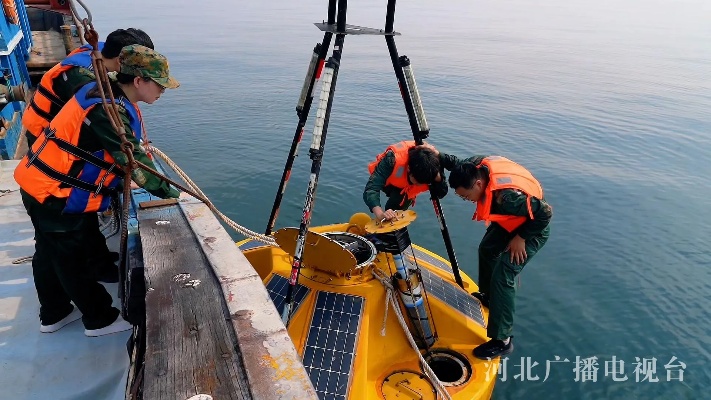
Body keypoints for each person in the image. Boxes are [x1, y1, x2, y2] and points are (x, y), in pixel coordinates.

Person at [14, 45, 180, 337]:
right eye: (160, 85)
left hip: (41, 184)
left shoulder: (104, 95)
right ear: (139, 81)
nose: (163, 92)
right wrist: (174, 194)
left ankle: (54, 312)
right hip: (53, 193)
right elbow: (135, 165)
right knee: (70, 259)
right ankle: (99, 318)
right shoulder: (107, 110)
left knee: (50, 253)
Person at [22, 28, 155, 283]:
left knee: (82, 219)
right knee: (55, 244)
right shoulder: (83, 82)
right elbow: (109, 132)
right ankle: (63, 309)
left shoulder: (95, 59)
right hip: (48, 154)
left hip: (58, 148)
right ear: (122, 59)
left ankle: (99, 263)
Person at [433, 147, 552, 359]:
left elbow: (545, 212)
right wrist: (437, 156)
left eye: (466, 196)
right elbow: (457, 162)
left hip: (533, 229)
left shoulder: (507, 198)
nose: (467, 200)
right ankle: (489, 297)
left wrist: (521, 238)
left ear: (478, 184)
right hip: (510, 221)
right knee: (487, 250)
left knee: (504, 273)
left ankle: (502, 340)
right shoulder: (476, 166)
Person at [363, 140, 447, 221]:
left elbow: (441, 192)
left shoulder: (433, 167)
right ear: (408, 168)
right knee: (389, 208)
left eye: (422, 183)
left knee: (396, 207)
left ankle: (394, 225)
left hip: (407, 191)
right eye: (417, 181)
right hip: (390, 179)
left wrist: (439, 179)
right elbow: (371, 189)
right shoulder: (392, 159)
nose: (418, 185)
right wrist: (380, 214)